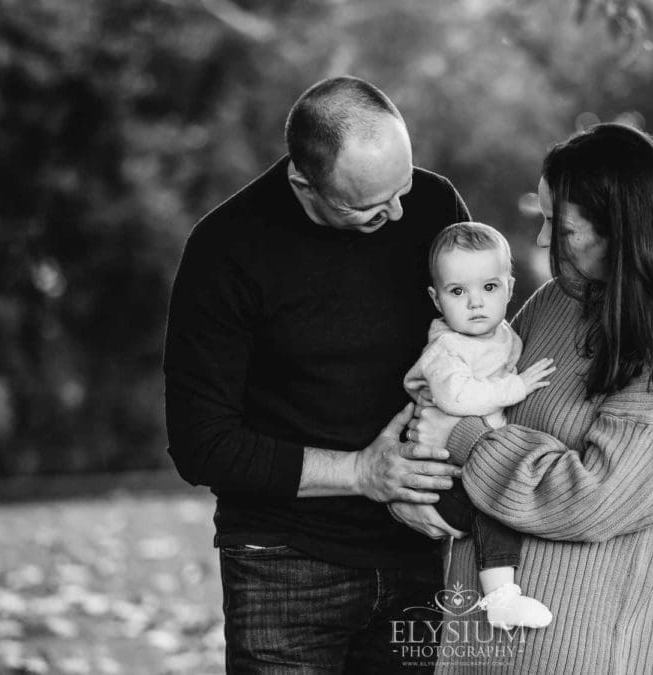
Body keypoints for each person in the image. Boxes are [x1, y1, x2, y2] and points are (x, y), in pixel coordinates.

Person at [163, 76, 469, 673]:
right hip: (283, 565)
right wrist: (360, 471)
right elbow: (202, 445)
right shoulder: (225, 250)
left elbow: (473, 350)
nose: (399, 212)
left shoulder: (433, 205)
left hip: (417, 555)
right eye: (369, 205)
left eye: (402, 186)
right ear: (303, 179)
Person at [404, 123, 653, 673]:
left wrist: (466, 442)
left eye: (562, 225)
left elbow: (594, 496)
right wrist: (413, 484)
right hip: (474, 642)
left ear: (619, 229)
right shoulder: (556, 302)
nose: (545, 240)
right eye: (544, 218)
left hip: (566, 654)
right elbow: (464, 391)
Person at [401, 221, 555, 630]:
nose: (475, 303)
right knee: (497, 502)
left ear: (509, 286)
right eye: (457, 292)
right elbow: (455, 399)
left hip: (466, 461)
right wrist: (516, 386)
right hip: (441, 481)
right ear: (436, 299)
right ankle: (501, 598)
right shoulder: (446, 348)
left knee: (500, 486)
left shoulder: (504, 335)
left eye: (489, 288)